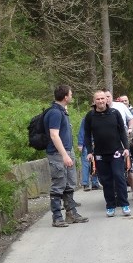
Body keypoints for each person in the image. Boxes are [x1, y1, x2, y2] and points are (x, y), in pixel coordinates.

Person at [44, 84, 88, 227]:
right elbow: (54, 135)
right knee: (58, 185)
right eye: (71, 94)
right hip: (58, 154)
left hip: (67, 152)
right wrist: (64, 155)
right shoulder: (55, 113)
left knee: (69, 184)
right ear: (65, 97)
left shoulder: (62, 111)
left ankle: (71, 213)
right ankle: (57, 217)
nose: (72, 96)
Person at [84, 91, 131, 217]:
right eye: (98, 99)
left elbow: (122, 131)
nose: (100, 101)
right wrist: (89, 152)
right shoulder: (90, 116)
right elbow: (87, 135)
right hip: (100, 153)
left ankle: (124, 204)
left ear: (107, 100)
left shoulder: (115, 113)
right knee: (106, 180)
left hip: (116, 151)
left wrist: (126, 148)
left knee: (119, 176)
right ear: (94, 101)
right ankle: (110, 205)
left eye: (102, 99)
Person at [76, 115, 100, 191]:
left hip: (97, 143)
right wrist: (80, 144)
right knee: (86, 164)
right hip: (87, 144)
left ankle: (95, 183)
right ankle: (85, 184)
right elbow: (82, 131)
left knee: (95, 163)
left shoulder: (100, 117)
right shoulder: (86, 118)